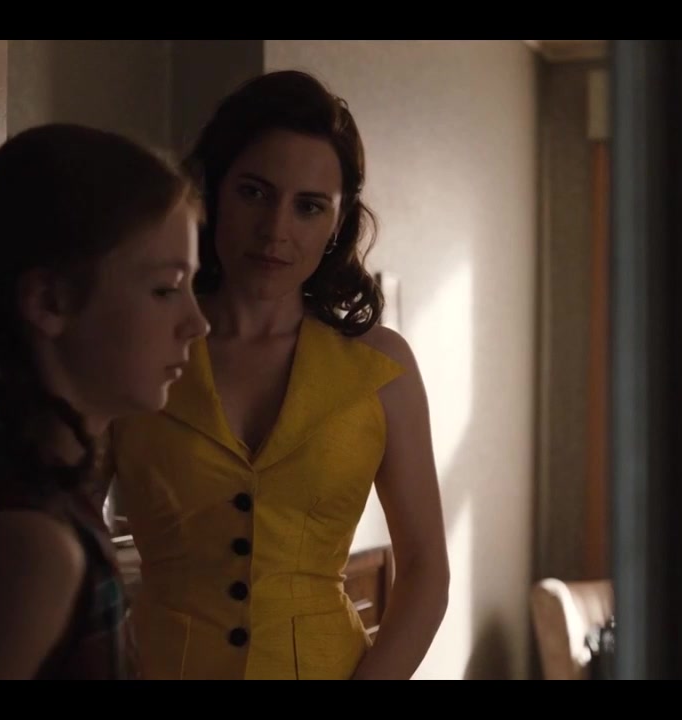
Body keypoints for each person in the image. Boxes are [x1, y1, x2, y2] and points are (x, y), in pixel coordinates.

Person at [109, 70, 450, 680]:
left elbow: (426, 570)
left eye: (309, 206)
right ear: (213, 191)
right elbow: (68, 535)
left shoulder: (381, 369)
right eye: (254, 193)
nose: (276, 230)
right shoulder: (135, 346)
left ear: (338, 223)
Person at [0, 123, 209, 680]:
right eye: (165, 289)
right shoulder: (32, 546)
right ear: (50, 302)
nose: (197, 323)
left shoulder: (5, 462)